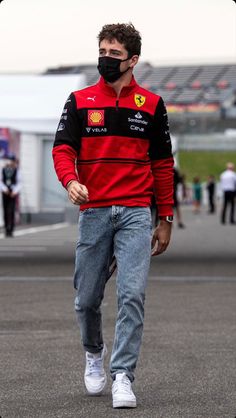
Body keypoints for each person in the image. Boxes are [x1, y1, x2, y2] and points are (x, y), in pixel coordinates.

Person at [52, 23, 174, 409]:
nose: (105, 59)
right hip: (94, 211)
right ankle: (94, 352)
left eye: (114, 54)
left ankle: (123, 375)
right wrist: (71, 181)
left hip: (137, 212)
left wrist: (165, 218)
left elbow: (162, 165)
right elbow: (62, 150)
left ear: (132, 60)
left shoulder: (152, 105)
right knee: (86, 299)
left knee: (132, 296)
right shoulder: (79, 100)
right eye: (102, 52)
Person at [0, 155, 21, 237]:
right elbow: (1, 181)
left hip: (13, 192)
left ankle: (11, 229)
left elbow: (19, 182)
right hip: (5, 192)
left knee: (11, 210)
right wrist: (4, 189)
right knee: (5, 210)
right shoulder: (3, 170)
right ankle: (6, 228)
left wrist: (15, 191)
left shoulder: (17, 170)